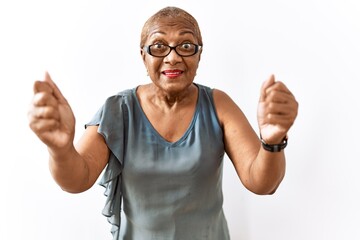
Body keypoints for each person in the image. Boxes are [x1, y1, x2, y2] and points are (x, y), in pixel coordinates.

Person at [28, 6, 298, 240]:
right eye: (158, 46)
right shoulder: (118, 109)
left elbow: (262, 183)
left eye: (186, 45)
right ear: (143, 55)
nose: (173, 57)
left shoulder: (218, 104)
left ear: (199, 55)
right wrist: (60, 149)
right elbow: (77, 179)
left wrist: (273, 141)